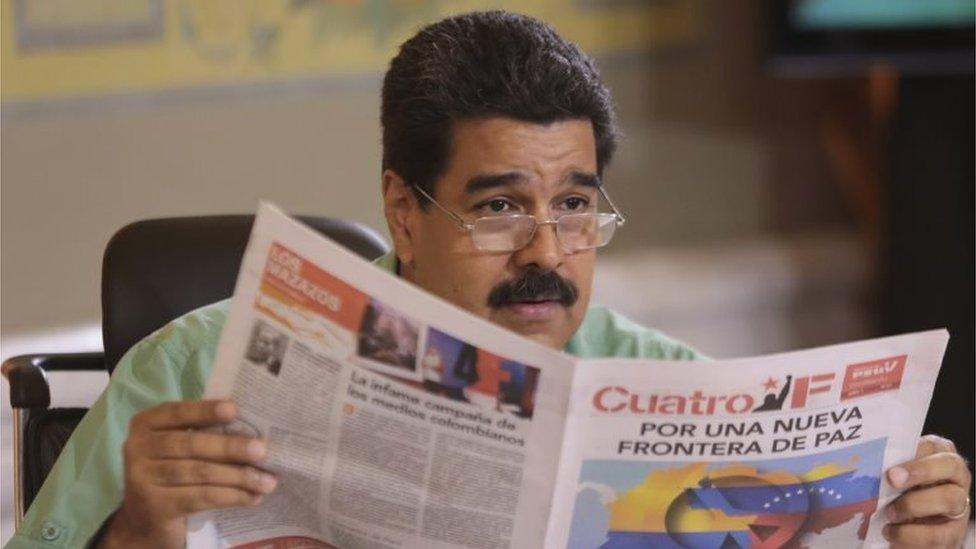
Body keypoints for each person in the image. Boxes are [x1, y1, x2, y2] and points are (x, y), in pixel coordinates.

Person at [8, 11, 970, 549]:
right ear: (403, 209)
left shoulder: (670, 387)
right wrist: (138, 529)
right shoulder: (195, 365)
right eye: (503, 207)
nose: (547, 256)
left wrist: (922, 536)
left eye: (578, 206)